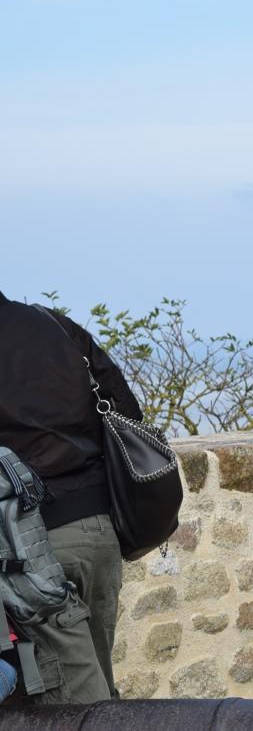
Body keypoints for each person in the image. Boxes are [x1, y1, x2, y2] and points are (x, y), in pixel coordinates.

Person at [0, 290, 139, 703]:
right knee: (96, 685)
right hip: (99, 529)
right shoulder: (55, 325)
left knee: (67, 703)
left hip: (30, 547)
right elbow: (128, 413)